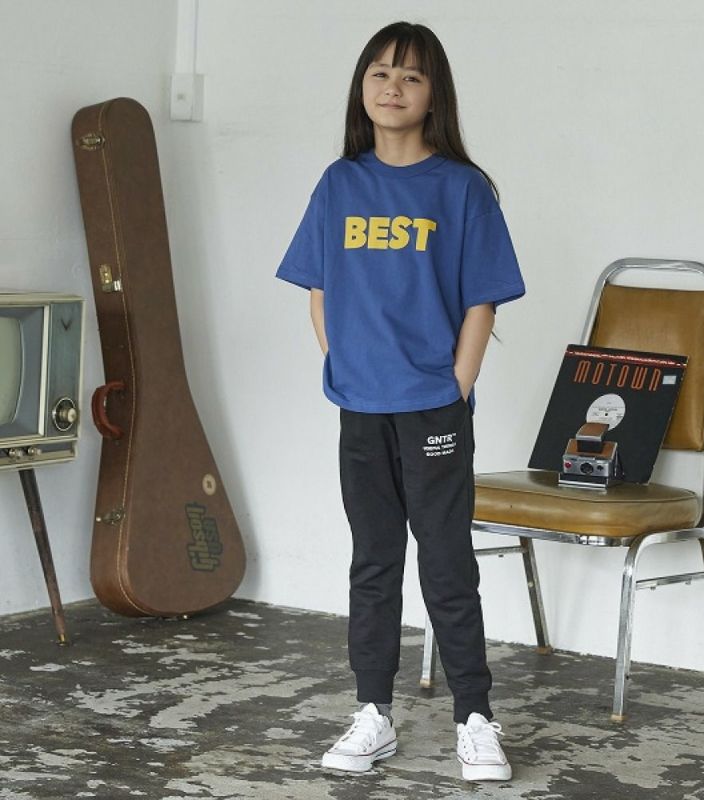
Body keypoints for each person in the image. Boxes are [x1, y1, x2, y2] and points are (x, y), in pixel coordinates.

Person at [276, 20, 525, 782]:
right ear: (362, 87)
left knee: (446, 563)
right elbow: (319, 288)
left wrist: (456, 385)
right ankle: (372, 714)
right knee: (374, 561)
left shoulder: (462, 188)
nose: (393, 87)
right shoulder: (339, 184)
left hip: (432, 407)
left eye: (412, 76)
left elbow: (483, 299)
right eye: (381, 73)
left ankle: (475, 717)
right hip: (361, 406)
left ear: (433, 95)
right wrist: (348, 365)